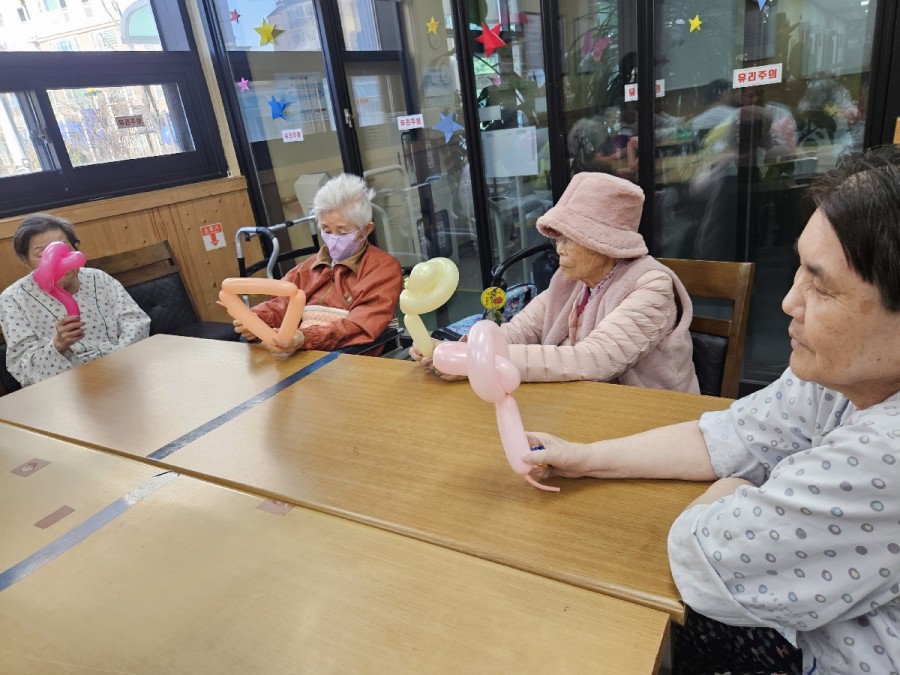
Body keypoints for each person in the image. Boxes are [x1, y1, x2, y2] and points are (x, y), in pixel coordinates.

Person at [521, 146, 900, 674]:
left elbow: (705, 561)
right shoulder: (837, 379)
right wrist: (585, 457)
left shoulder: (885, 454)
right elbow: (731, 435)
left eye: (821, 284)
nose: (789, 301)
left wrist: (735, 489)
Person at [415, 172, 699, 392]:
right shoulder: (570, 281)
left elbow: (592, 360)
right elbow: (520, 330)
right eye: (557, 239)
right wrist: (460, 350)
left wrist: (479, 361)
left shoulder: (652, 287)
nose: (558, 248)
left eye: (568, 239)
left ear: (604, 243)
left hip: (654, 416)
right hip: (585, 403)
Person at [235, 173, 402, 355]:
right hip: (302, 351)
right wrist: (257, 319)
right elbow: (282, 303)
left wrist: (306, 338)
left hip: (350, 356)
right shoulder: (308, 267)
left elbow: (359, 325)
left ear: (366, 229)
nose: (333, 239)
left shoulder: (383, 269)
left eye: (342, 231)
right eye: (326, 230)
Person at [0, 213, 150, 387]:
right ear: (25, 261)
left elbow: (135, 322)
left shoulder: (98, 278)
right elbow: (22, 366)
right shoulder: (13, 299)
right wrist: (58, 344)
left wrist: (119, 363)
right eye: (42, 254)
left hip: (122, 369)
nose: (57, 260)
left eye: (64, 250)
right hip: (64, 386)